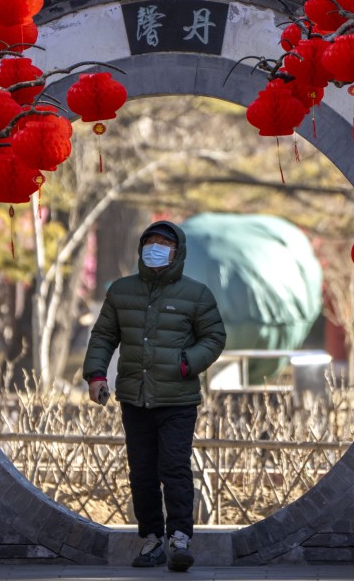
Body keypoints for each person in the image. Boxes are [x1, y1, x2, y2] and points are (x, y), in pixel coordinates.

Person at [83, 220, 226, 571]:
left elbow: (214, 337)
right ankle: (151, 540)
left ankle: (180, 539)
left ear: (178, 252)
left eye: (164, 243)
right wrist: (96, 375)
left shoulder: (197, 294)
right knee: (142, 472)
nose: (156, 248)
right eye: (151, 242)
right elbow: (104, 335)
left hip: (177, 400)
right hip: (134, 398)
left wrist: (185, 365)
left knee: (174, 468)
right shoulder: (121, 291)